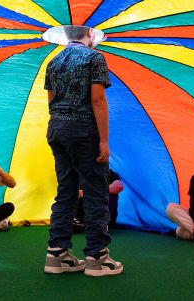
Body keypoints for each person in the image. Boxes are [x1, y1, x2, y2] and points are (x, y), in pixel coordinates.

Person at [43, 25, 123, 277]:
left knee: (65, 191)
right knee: (96, 192)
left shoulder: (53, 61)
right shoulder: (94, 57)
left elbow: (51, 100)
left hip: (56, 129)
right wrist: (104, 141)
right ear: (89, 34)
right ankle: (97, 258)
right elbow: (98, 99)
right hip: (83, 131)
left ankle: (57, 255)